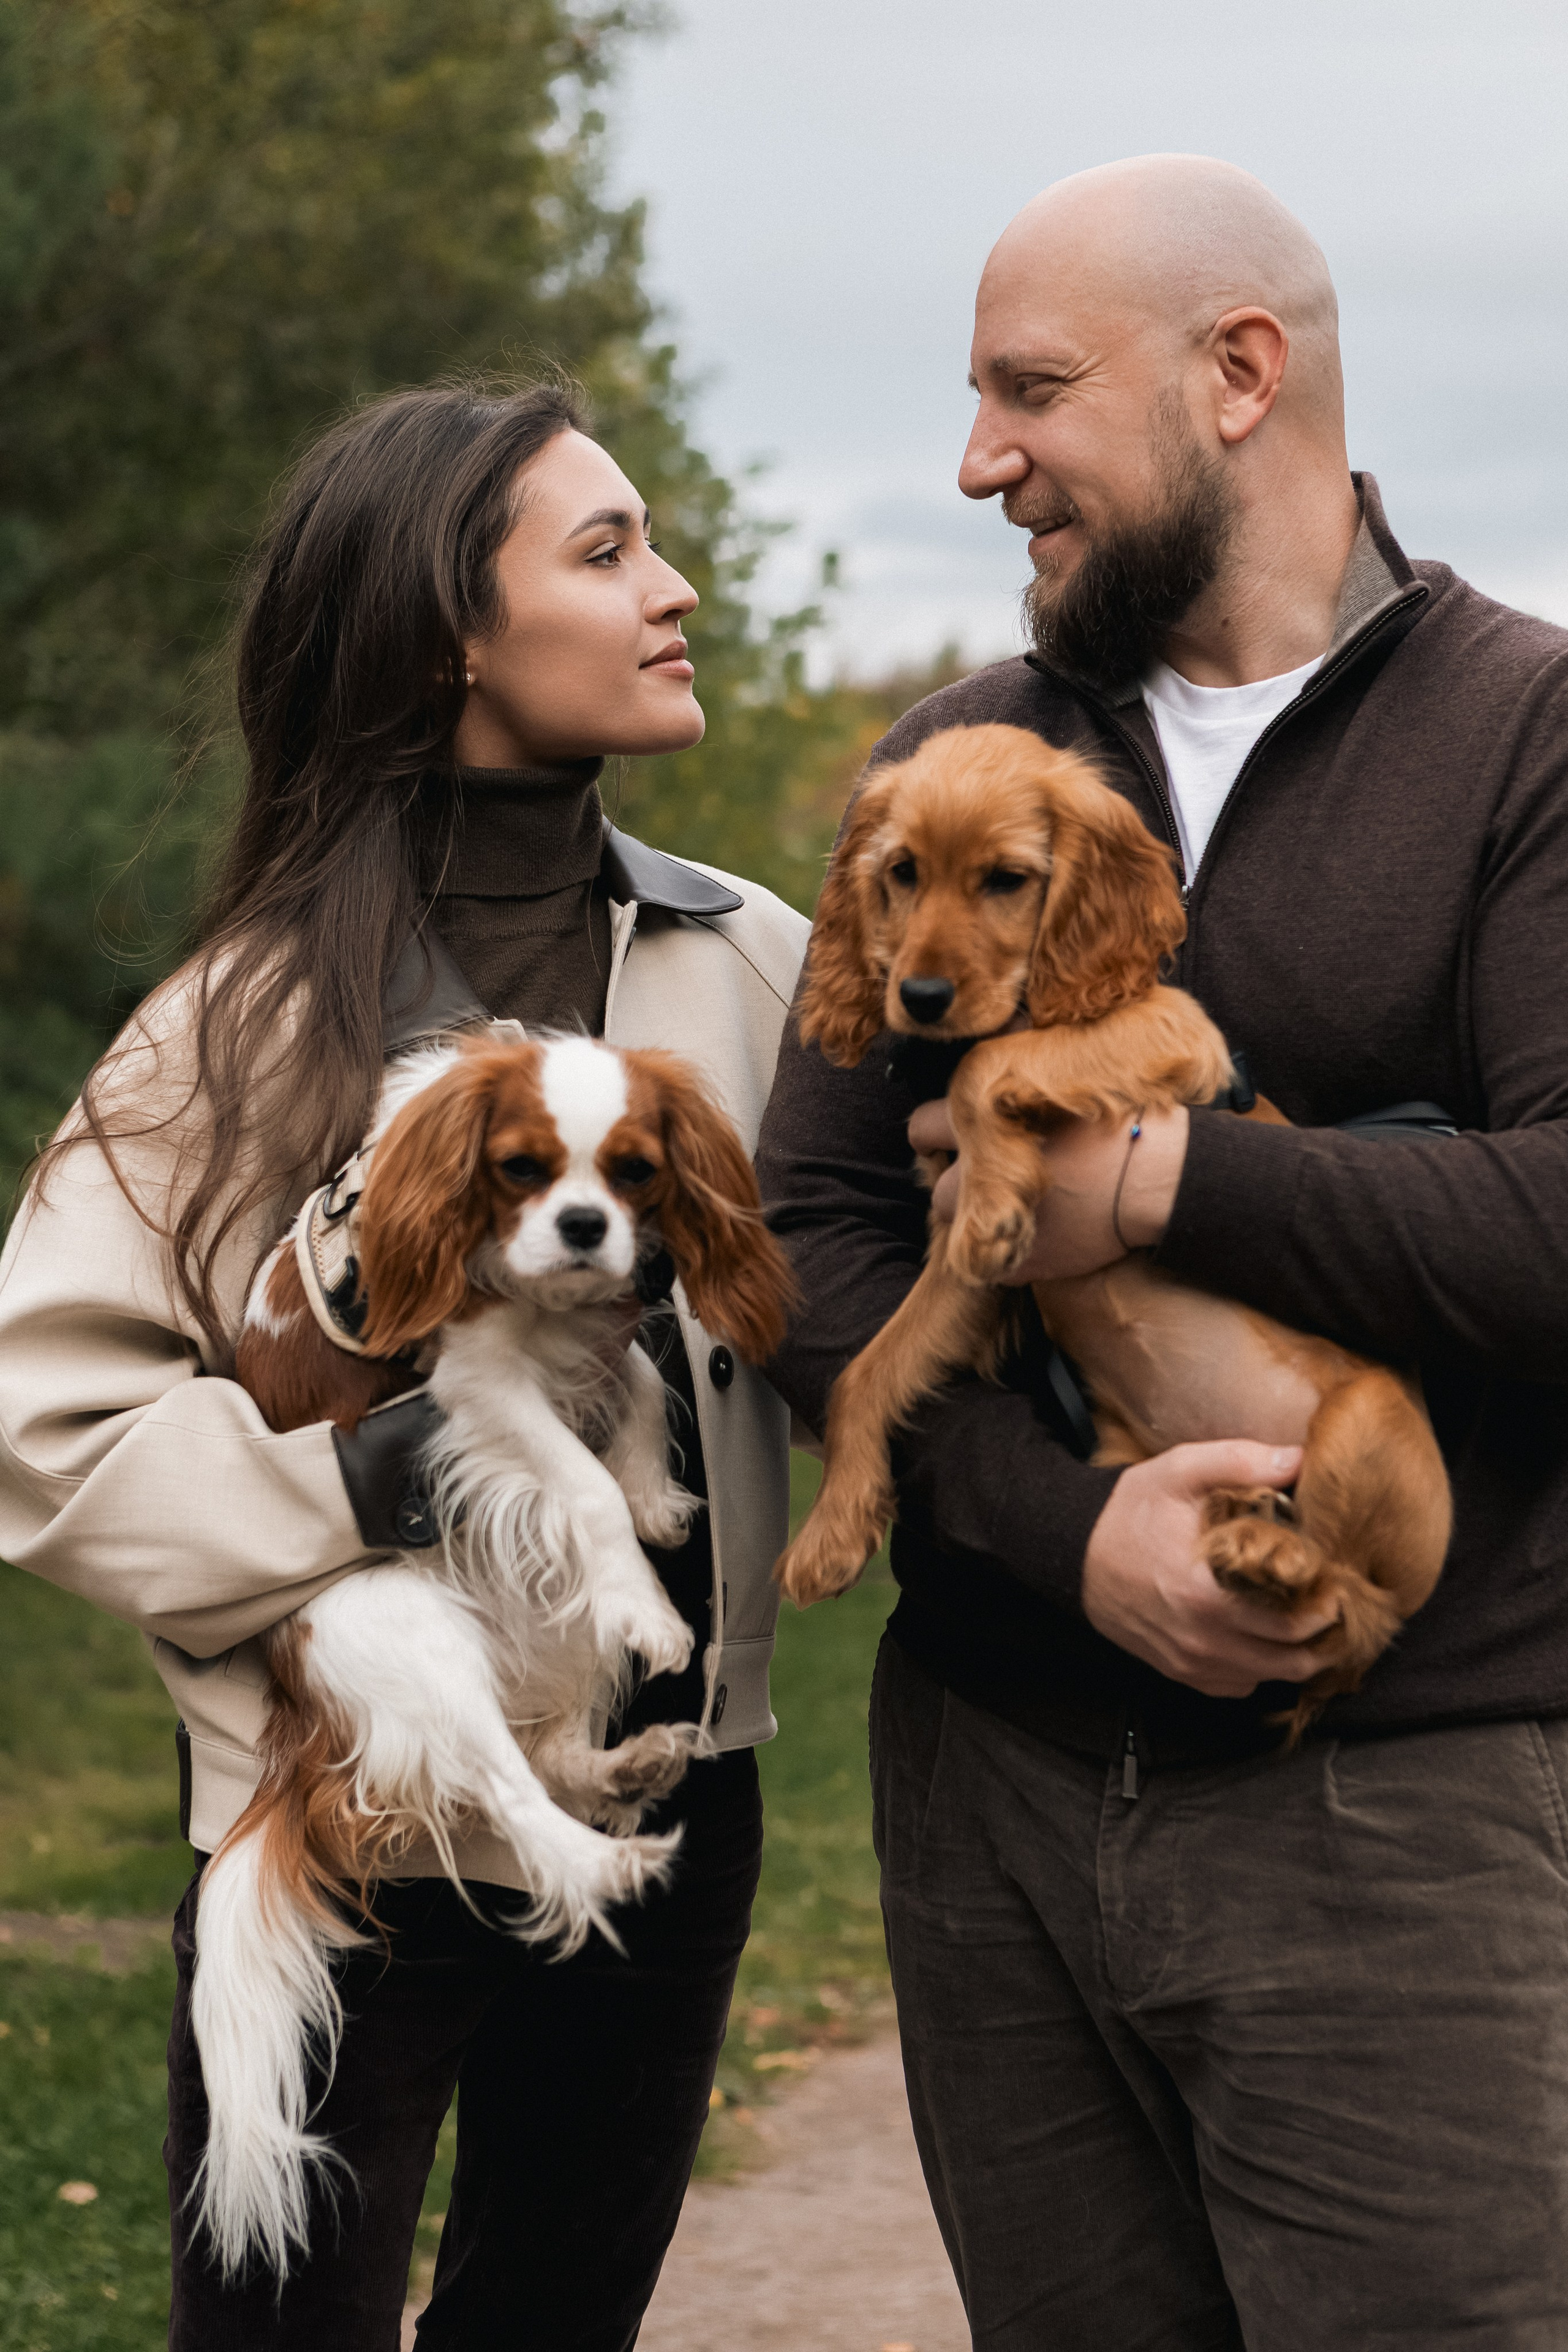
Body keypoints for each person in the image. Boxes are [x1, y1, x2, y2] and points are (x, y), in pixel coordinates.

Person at [758, 155, 1568, 2349]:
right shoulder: (958, 756)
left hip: (1403, 1803)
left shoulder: (1531, 735)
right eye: (967, 399)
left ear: (1240, 375)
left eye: (1031, 392)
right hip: (994, 1788)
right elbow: (817, 1224)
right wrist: (1063, 1533)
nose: (976, 460)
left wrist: (1164, 1187)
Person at [0, 380, 808, 2350]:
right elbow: (42, 1423)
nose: (673, 588)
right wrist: (377, 1478)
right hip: (346, 1812)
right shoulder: (242, 1019)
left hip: (664, 1792)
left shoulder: (762, 965)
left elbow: (864, 1307)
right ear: (451, 628)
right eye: (606, 553)